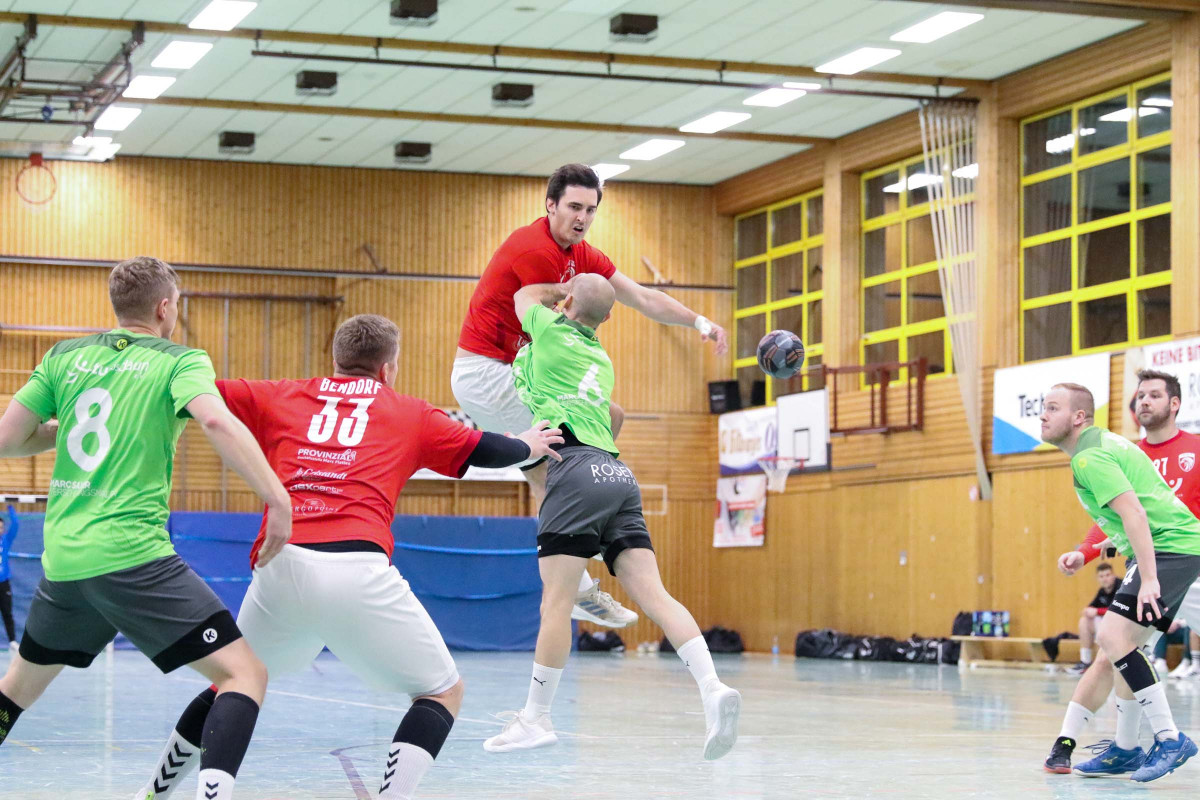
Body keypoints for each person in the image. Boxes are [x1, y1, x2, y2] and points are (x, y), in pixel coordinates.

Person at [134, 314, 564, 800]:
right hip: (356, 570)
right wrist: (528, 444)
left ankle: (155, 792)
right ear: (387, 369)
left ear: (336, 360)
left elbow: (194, 393)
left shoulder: (282, 394)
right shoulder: (410, 413)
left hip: (281, 565)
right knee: (442, 691)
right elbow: (487, 449)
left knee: (234, 681)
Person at [0, 256, 292, 800]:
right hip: (131, 555)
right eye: (176, 305)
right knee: (244, 675)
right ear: (164, 308)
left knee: (16, 689)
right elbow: (214, 418)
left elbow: (8, 439)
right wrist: (276, 497)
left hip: (65, 559)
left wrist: (61, 430)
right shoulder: (179, 360)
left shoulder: (64, 356)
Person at [452, 163, 728, 629]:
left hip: (518, 373)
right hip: (487, 373)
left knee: (607, 418)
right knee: (555, 461)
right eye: (574, 207)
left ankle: (579, 558)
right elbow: (550, 301)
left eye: (591, 210)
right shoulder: (533, 248)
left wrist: (700, 321)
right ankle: (578, 582)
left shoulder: (583, 255)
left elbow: (643, 297)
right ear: (551, 205)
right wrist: (584, 289)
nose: (582, 218)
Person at [481, 275, 741, 760]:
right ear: (609, 318)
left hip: (575, 470)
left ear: (568, 303)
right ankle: (712, 687)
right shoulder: (599, 359)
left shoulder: (551, 330)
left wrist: (559, 287)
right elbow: (614, 414)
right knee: (657, 596)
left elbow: (522, 296)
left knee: (556, 603)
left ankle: (535, 718)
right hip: (617, 474)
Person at [1040, 379, 1200, 782]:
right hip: (1175, 548)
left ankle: (1170, 739)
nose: (1043, 415)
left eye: (1053, 408)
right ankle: (1127, 748)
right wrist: (1090, 550)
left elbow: (1135, 515)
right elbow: (1136, 511)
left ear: (1079, 416)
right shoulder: (1108, 444)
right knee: (1125, 647)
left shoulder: (1089, 457)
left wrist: (1149, 579)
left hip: (1169, 550)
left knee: (1112, 636)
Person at [1065, 562, 1120, 675]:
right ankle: (1085, 662)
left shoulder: (1121, 587)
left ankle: (1107, 662)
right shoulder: (1102, 591)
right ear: (1098, 579)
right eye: (1101, 576)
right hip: (1108, 625)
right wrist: (1088, 611)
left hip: (1122, 626)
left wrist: (1097, 612)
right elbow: (1091, 607)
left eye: (1107, 575)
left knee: (1102, 622)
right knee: (1084, 621)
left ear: (1113, 575)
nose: (1105, 579)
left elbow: (1119, 609)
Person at [0, 504, 19, 649]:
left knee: (7, 612)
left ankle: (12, 641)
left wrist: (11, 508)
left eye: (1, 527)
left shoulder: (5, 540)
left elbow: (15, 525)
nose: (0, 530)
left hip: (3, 583)